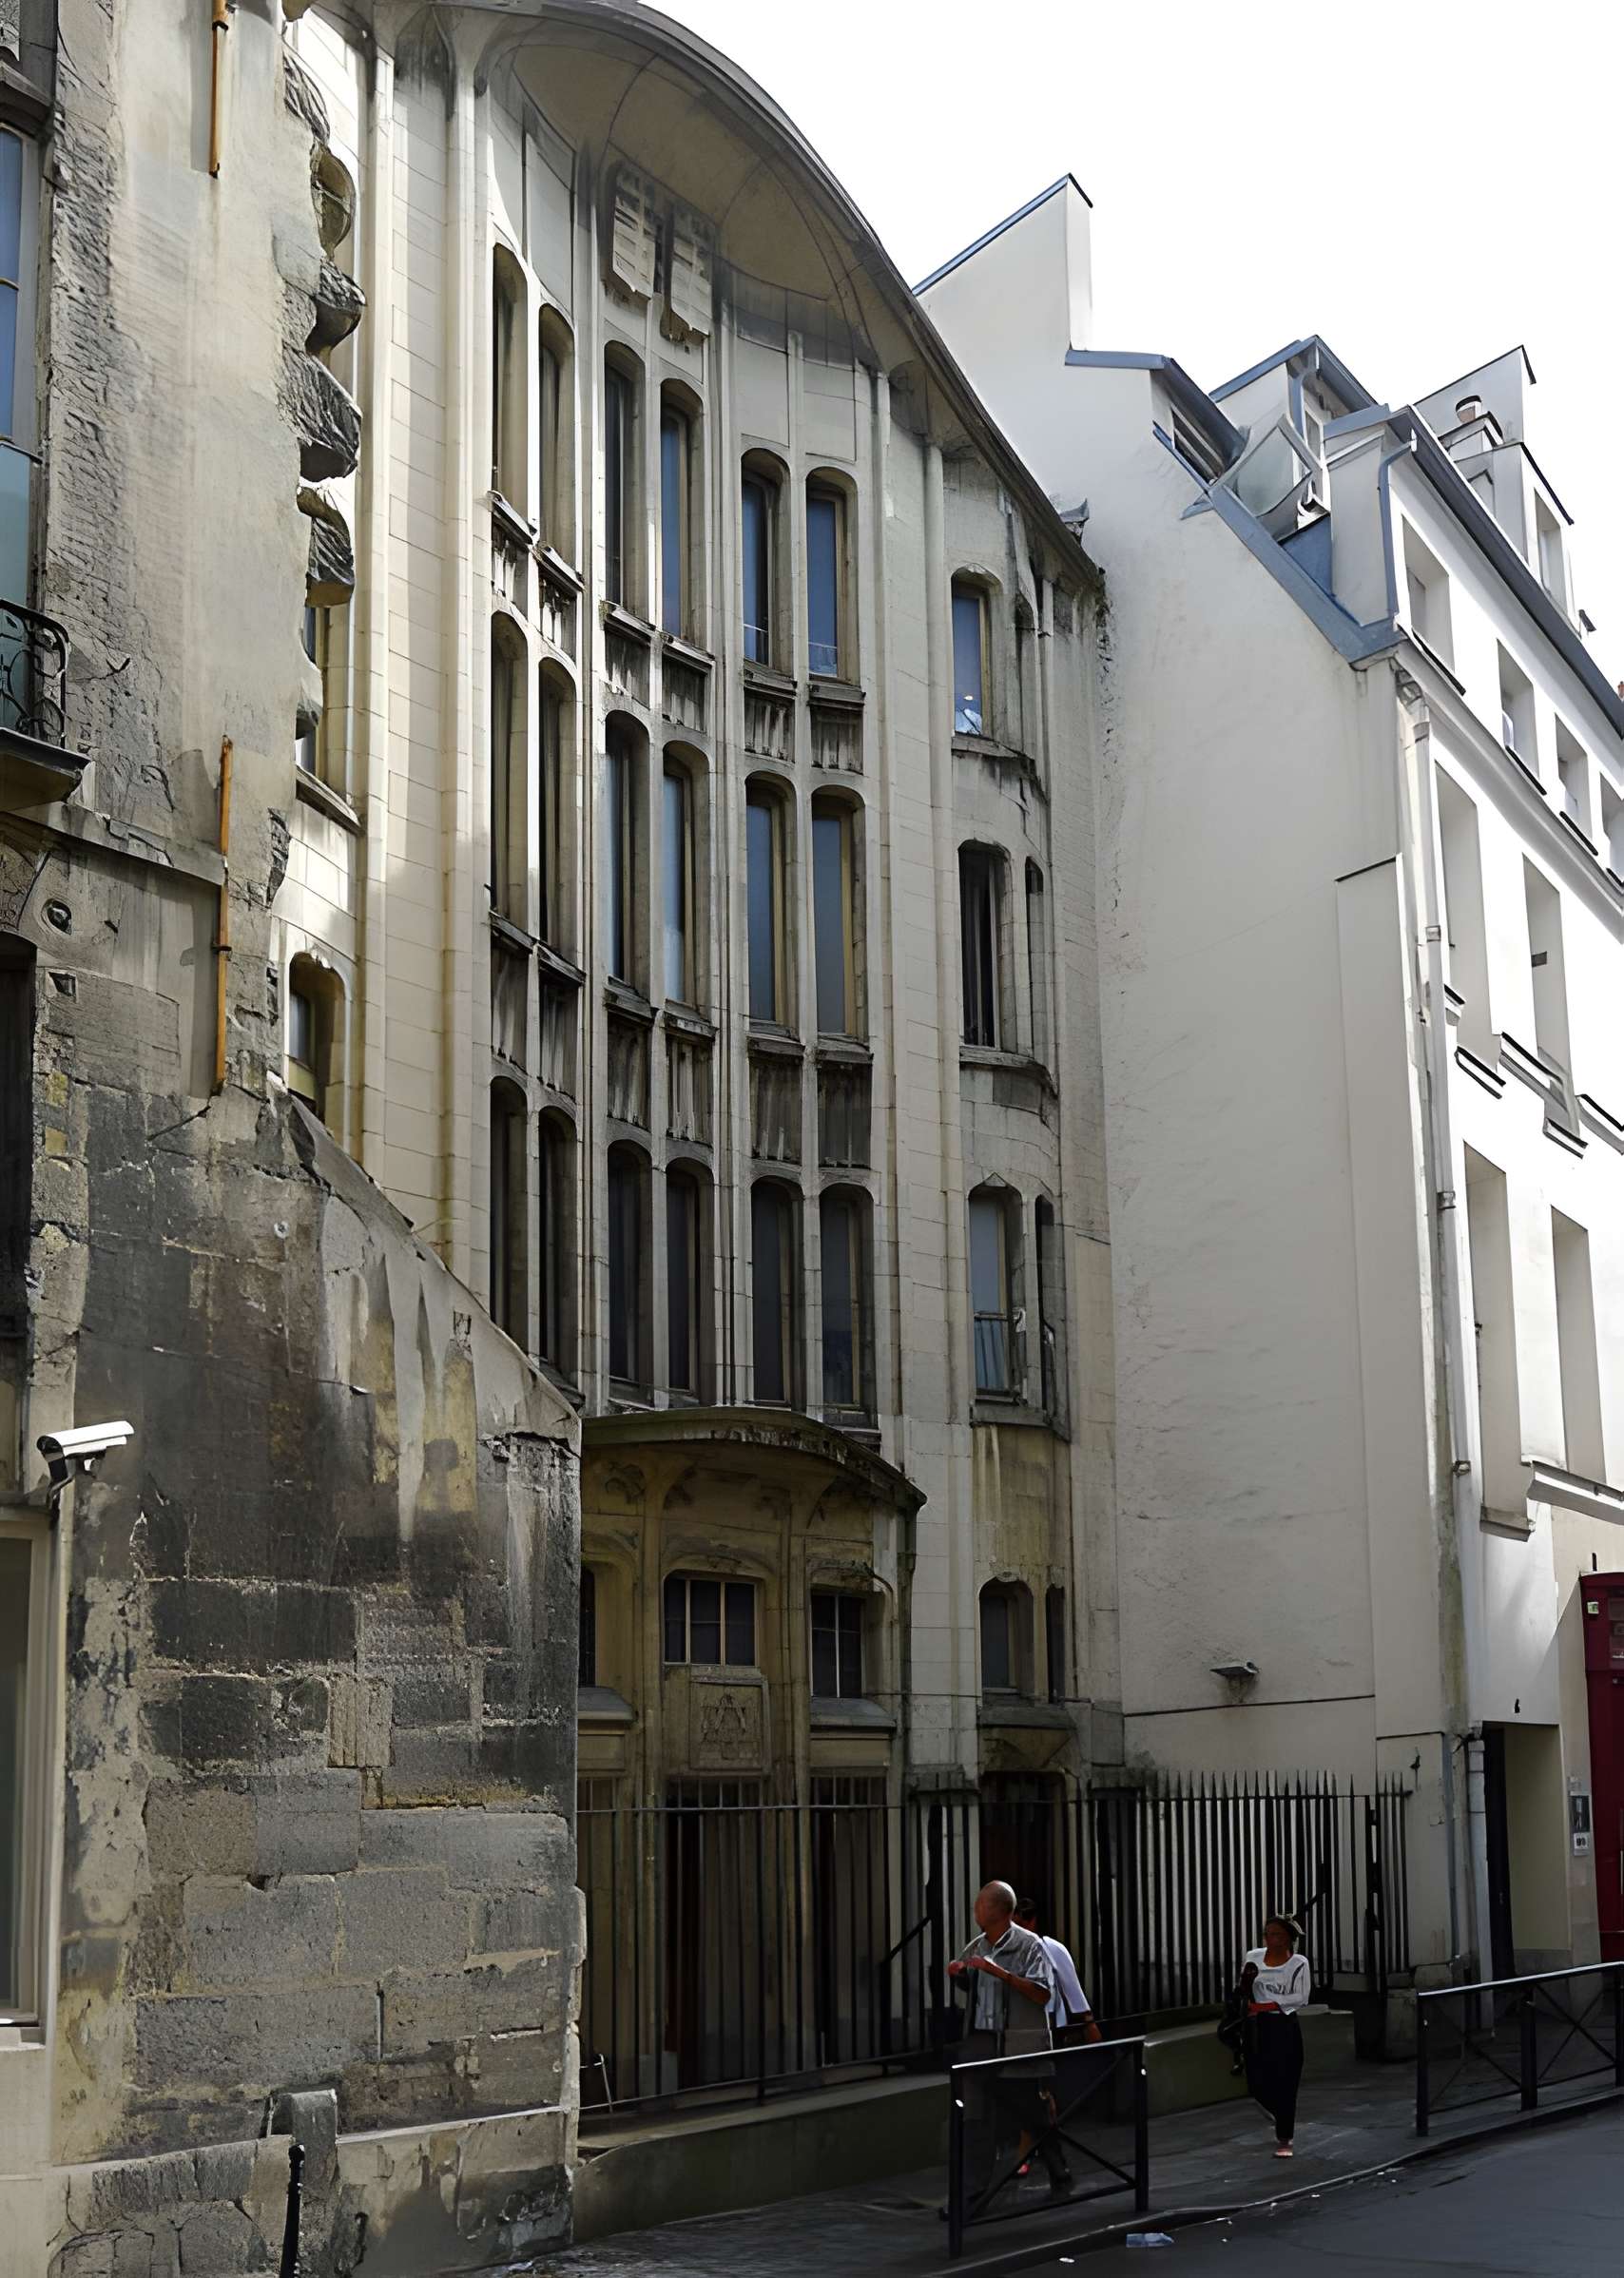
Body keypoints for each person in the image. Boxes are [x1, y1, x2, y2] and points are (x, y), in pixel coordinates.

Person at [947, 1881, 1071, 2202]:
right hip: (982, 2039)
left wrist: (1000, 1973)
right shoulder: (977, 1946)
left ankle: (1059, 2168)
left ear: (998, 1910)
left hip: (1019, 2043)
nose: (975, 1909)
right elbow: (974, 1989)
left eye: (980, 1904)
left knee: (1029, 2110)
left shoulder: (1030, 1946)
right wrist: (960, 1975)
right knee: (976, 2113)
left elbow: (1043, 1993)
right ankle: (974, 2190)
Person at [1240, 1915, 1310, 2156]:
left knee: (1286, 2081)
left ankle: (1285, 2137)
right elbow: (1245, 1986)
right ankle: (1281, 2113)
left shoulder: (1299, 1963)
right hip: (1258, 2026)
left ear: (1289, 1939)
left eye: (1277, 1934)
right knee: (1257, 2081)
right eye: (1267, 1934)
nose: (1271, 1939)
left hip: (1285, 2025)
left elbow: (1300, 1998)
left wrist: (1268, 2005)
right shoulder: (1254, 1958)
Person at [1014, 1898, 1102, 2045]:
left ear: (1032, 1922)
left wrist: (1088, 2022)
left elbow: (1072, 1989)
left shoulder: (1051, 1948)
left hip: (1053, 2023)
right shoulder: (1012, 1952)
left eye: (1021, 1926)